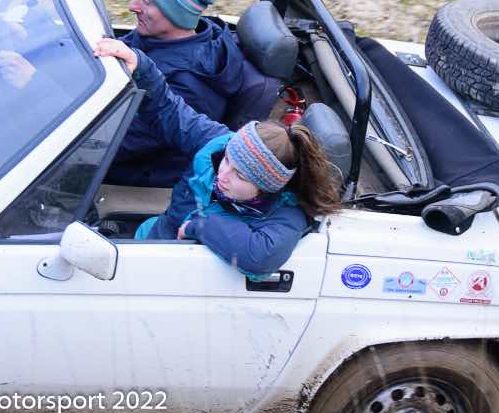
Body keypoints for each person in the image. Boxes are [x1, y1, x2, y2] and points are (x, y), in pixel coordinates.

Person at [93, 38, 341, 278]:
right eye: (227, 160)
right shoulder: (220, 144)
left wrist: (200, 226)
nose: (223, 175)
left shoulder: (286, 214)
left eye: (240, 175)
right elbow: (170, 111)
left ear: (266, 188)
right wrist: (141, 66)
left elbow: (260, 257)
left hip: (176, 274)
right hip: (152, 238)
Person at [105, 0, 246, 187]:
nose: (132, 6)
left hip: (135, 177)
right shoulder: (157, 37)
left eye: (146, 0)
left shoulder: (191, 85)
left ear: (176, 13)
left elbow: (113, 143)